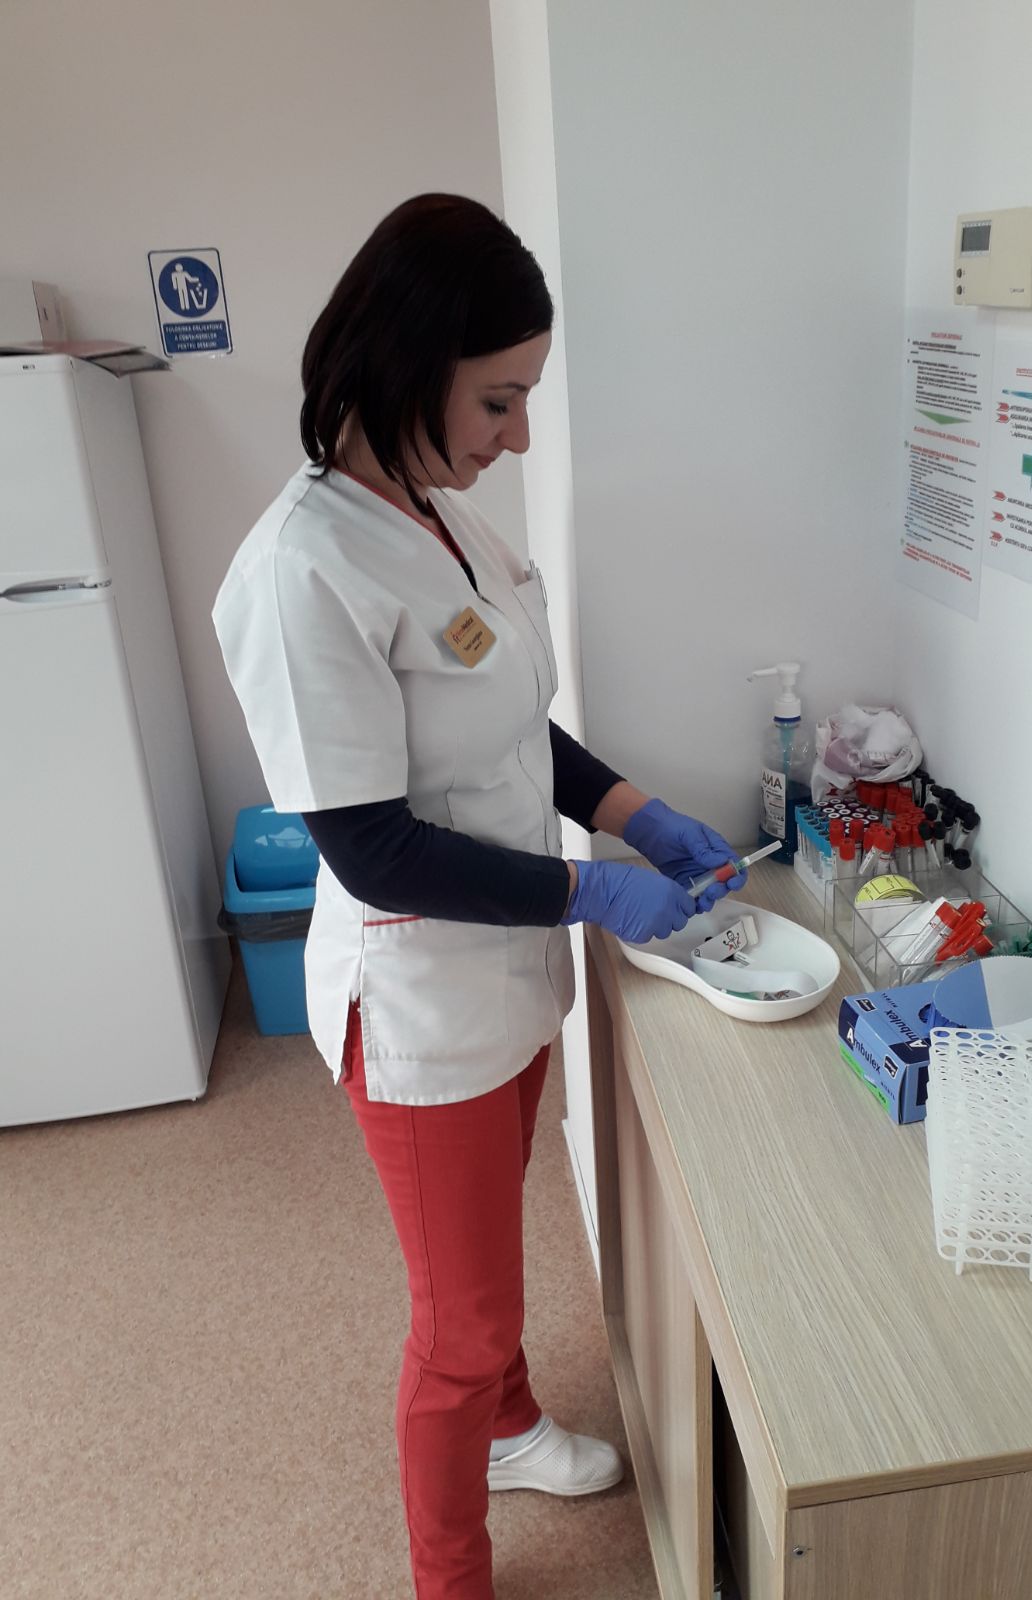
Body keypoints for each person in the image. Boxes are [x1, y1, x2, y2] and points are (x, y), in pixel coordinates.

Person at [212, 193, 745, 1600]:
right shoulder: (302, 570)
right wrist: (594, 893)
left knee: (487, 1254)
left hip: (504, 971)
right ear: (408, 362)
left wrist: (634, 814)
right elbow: (372, 849)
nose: (515, 438)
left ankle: (508, 1430)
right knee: (455, 1328)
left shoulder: (440, 520)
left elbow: (511, 725)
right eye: (499, 401)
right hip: (420, 1000)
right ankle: (450, 1574)